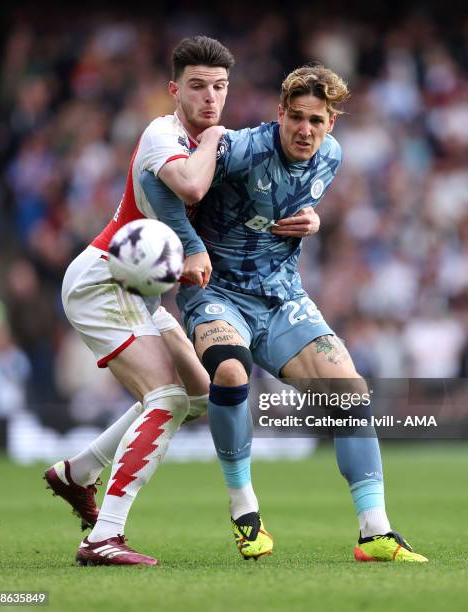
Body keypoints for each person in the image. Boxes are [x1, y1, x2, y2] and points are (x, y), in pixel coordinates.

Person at [146, 64, 428, 562]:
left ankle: (375, 531)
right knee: (232, 372)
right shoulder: (242, 148)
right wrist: (190, 246)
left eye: (317, 121)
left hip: (282, 299)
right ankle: (245, 512)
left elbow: (295, 203)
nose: (305, 130)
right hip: (218, 293)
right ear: (279, 114)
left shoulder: (332, 158)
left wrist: (314, 220)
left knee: (351, 391)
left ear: (331, 124)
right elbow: (162, 188)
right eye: (296, 117)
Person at [44, 36, 235, 566]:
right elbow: (193, 189)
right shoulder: (163, 134)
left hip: (140, 289)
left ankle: (77, 471)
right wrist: (218, 136)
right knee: (168, 397)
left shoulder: (213, 143)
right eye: (197, 87)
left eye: (219, 88)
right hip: (106, 278)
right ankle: (103, 536)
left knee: (198, 397)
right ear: (175, 90)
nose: (210, 99)